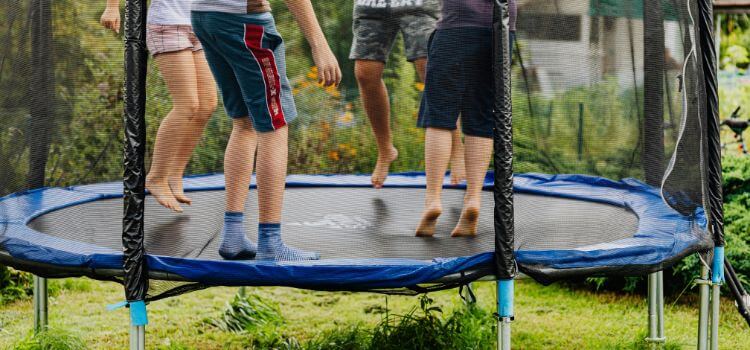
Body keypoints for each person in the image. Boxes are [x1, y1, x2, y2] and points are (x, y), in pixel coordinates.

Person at [190, 0, 342, 260]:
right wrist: (319, 44)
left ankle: (233, 234)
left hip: (204, 15)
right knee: (274, 125)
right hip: (244, 22)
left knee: (244, 122)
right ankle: (271, 242)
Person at [101, 0, 218, 213]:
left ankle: (174, 173)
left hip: (200, 22)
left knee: (207, 105)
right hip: (168, 24)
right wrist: (112, 6)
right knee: (187, 105)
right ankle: (156, 177)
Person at [415, 0, 516, 237]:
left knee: (438, 116)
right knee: (481, 116)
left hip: (457, 25)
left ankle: (433, 199)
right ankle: (473, 199)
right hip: (501, 29)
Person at [350, 0, 466, 188]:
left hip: (418, 4)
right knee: (365, 73)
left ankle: (456, 148)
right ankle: (385, 150)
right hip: (372, 4)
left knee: (431, 69)